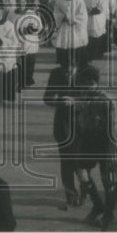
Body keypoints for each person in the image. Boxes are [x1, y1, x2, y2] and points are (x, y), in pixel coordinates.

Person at [73, 65, 115, 228]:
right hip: (89, 140)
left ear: (91, 82)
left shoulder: (105, 100)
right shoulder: (87, 96)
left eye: (84, 83)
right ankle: (98, 204)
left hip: (104, 142)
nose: (82, 87)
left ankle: (108, 214)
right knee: (81, 171)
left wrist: (112, 148)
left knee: (107, 181)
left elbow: (114, 125)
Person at [44, 53, 82, 207]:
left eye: (69, 70)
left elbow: (92, 99)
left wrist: (75, 102)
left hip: (81, 126)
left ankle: (86, 191)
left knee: (81, 162)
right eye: (64, 70)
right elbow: (46, 97)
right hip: (62, 125)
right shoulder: (55, 74)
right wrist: (54, 100)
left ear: (76, 67)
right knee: (66, 163)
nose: (66, 73)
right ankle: (71, 195)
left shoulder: (86, 75)